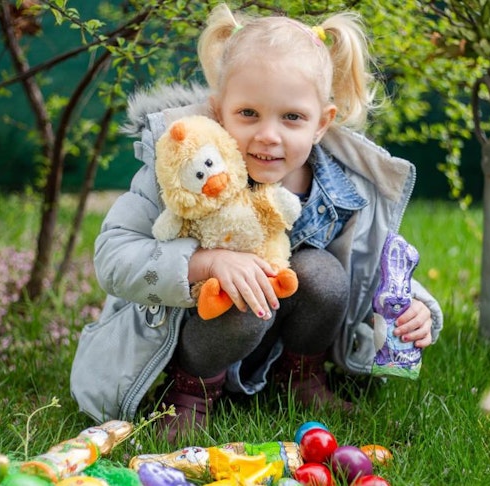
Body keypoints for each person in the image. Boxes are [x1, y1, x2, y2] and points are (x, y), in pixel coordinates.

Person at [70, 3, 443, 441]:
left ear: (322, 123)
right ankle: (190, 392)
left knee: (324, 275)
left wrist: (420, 312)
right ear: (219, 110)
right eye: (248, 114)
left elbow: (374, 264)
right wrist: (204, 263)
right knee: (241, 296)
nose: (269, 135)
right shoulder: (183, 168)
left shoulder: (342, 185)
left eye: (292, 118)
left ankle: (300, 377)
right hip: (190, 338)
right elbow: (113, 258)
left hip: (276, 339)